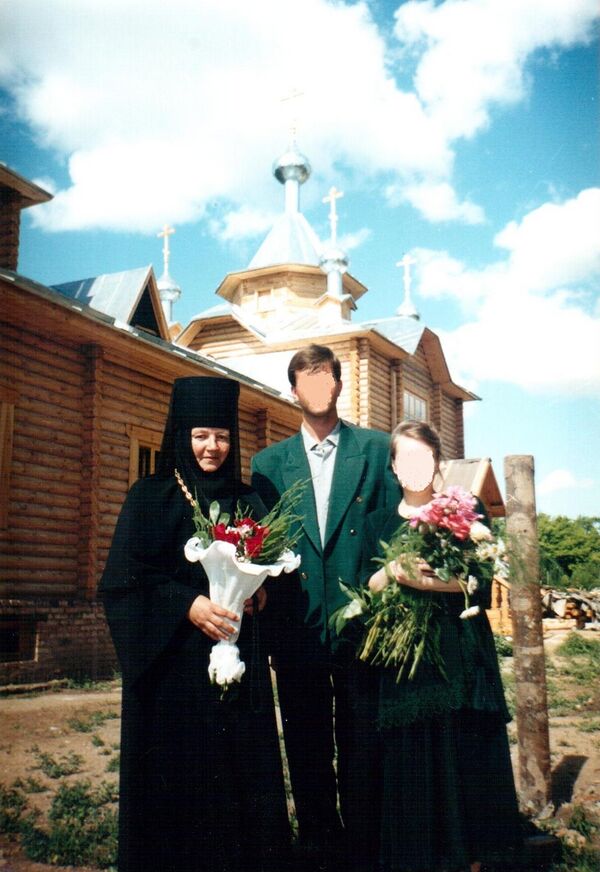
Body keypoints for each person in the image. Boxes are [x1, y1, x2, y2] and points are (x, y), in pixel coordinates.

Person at [99, 376, 291, 872]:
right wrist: (188, 604)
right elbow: (124, 582)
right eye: (201, 435)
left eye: (222, 436)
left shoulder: (248, 502)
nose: (212, 447)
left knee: (238, 777)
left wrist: (260, 593)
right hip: (173, 674)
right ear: (181, 434)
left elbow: (277, 578)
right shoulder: (149, 497)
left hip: (236, 668)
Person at [251, 344, 400, 871]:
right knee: (306, 739)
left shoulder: (376, 449)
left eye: (325, 378)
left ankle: (365, 844)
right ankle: (318, 841)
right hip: (299, 625)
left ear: (338, 384)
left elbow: (396, 529)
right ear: (293, 391)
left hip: (363, 623)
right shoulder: (268, 464)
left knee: (363, 739)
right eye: (306, 380)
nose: (317, 388)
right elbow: (263, 547)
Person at [362, 421, 522, 872]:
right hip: (405, 663)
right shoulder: (376, 522)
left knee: (460, 752)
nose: (415, 467)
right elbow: (366, 585)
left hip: (458, 650)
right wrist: (394, 570)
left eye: (424, 457)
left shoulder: (462, 510)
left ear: (437, 462)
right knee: (413, 756)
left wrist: (431, 583)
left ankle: (468, 857)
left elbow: (481, 583)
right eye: (405, 458)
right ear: (394, 467)